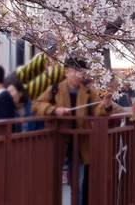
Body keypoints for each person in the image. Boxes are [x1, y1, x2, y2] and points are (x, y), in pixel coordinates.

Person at [32, 57, 115, 205]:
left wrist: (106, 106)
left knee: (78, 181)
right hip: (58, 140)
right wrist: (54, 110)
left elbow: (97, 110)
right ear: (66, 72)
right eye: (75, 71)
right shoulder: (55, 89)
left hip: (80, 142)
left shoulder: (88, 92)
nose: (78, 75)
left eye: (81, 72)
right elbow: (36, 106)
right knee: (52, 179)